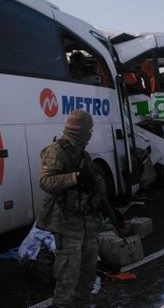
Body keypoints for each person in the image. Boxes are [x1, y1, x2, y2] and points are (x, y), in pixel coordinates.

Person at [35, 109, 104, 307]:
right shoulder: (56, 151)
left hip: (87, 221)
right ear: (81, 131)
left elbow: (96, 182)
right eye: (89, 130)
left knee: (88, 273)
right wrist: (76, 178)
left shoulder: (83, 154)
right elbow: (45, 181)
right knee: (68, 277)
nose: (91, 134)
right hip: (67, 222)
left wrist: (96, 185)